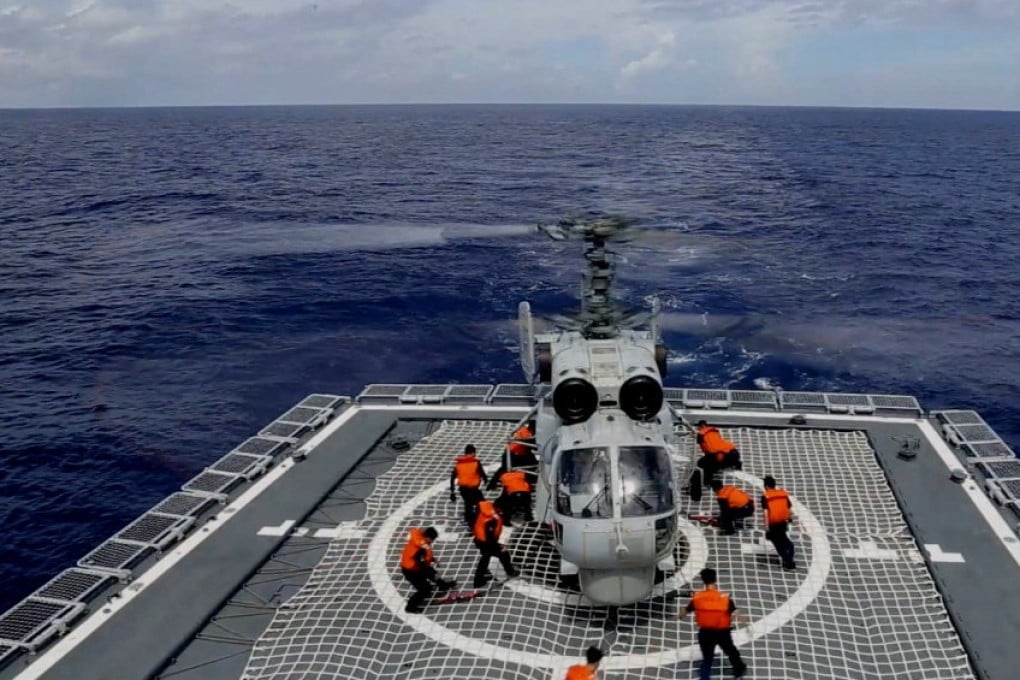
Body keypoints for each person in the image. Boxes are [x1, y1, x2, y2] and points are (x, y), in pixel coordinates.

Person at [679, 567, 747, 680]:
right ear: (715, 580)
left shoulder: (697, 598)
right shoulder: (725, 599)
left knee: (707, 659)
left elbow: (683, 614)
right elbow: (736, 614)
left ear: (703, 581)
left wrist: (681, 612)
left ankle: (705, 677)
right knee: (732, 652)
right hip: (722, 633)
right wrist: (741, 623)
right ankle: (739, 670)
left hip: (705, 634)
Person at [400, 526, 455, 613]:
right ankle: (410, 607)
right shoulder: (421, 548)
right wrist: (428, 569)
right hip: (411, 571)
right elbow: (421, 563)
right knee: (425, 589)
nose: (432, 542)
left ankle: (443, 585)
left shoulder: (421, 542)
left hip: (418, 566)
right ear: (428, 537)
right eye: (432, 540)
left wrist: (432, 559)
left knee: (435, 575)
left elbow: (424, 557)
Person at [472, 499, 519, 588]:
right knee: (502, 554)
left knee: (486, 558)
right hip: (486, 542)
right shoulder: (491, 520)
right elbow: (490, 537)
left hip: (479, 538)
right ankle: (478, 580)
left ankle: (480, 578)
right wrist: (500, 546)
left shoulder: (486, 509)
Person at [489, 421, 538, 489]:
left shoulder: (523, 430)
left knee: (533, 463)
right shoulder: (526, 433)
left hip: (519, 453)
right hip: (513, 454)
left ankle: (532, 478)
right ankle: (491, 484)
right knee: (504, 468)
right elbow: (528, 444)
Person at [761, 475, 797, 570]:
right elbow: (788, 507)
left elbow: (765, 512)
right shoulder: (783, 493)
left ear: (766, 486)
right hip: (782, 522)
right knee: (783, 540)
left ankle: (789, 562)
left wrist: (766, 528)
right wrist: (789, 518)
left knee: (779, 544)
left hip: (773, 524)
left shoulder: (765, 496)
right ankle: (789, 559)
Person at [696, 421, 742, 491]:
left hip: (716, 454)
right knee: (730, 459)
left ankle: (707, 482)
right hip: (731, 451)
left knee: (702, 464)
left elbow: (701, 443)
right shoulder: (714, 430)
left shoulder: (700, 433)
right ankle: (737, 465)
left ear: (699, 427)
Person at [450, 444, 488, 528]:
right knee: (481, 503)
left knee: (468, 504)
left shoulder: (458, 464)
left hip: (463, 489)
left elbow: (452, 478)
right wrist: (486, 481)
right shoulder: (476, 463)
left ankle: (467, 519)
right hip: (473, 489)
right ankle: (475, 523)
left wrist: (452, 492)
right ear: (473, 453)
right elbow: (482, 474)